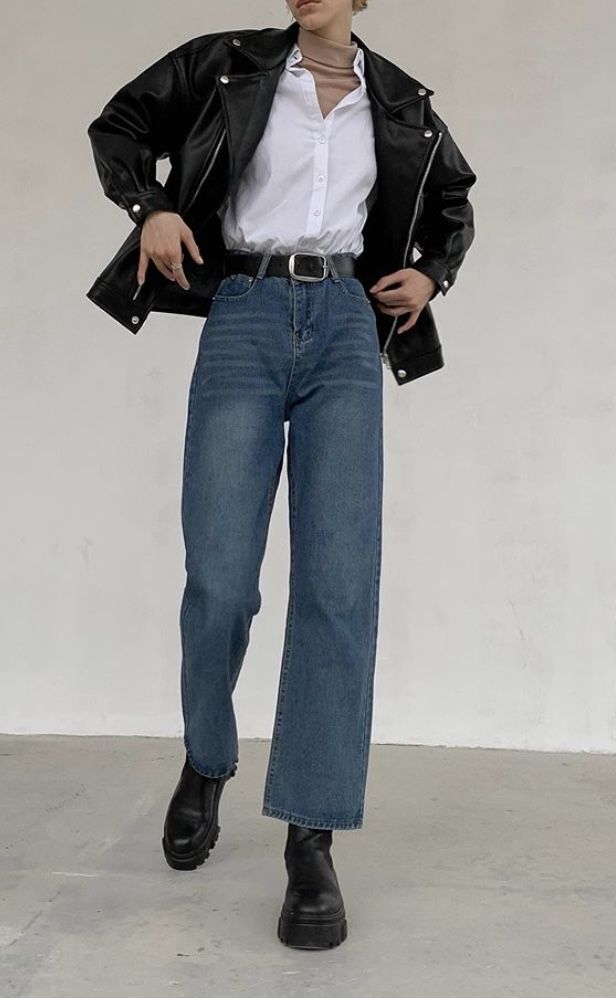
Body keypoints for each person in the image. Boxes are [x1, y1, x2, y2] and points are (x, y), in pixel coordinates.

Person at [86, 0, 477, 949]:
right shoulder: (226, 62)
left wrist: (433, 272)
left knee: (339, 585)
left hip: (345, 323)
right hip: (245, 316)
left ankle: (312, 838)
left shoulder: (400, 101)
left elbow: (453, 200)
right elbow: (120, 124)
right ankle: (207, 758)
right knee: (220, 576)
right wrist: (154, 207)